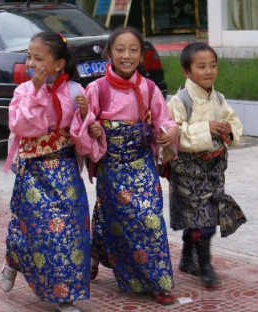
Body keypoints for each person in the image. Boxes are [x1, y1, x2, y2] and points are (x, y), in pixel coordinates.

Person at [70, 27, 178, 305]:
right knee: (115, 219)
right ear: (109, 53)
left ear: (141, 55)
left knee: (150, 218)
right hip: (112, 166)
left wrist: (168, 133)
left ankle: (158, 281)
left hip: (142, 163)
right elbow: (83, 126)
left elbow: (163, 120)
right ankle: (101, 257)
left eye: (133, 50)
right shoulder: (96, 89)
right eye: (120, 49)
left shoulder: (149, 88)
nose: (126, 55)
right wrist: (91, 125)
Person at [0, 31, 91, 312]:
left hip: (64, 169)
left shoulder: (76, 91)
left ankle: (65, 295)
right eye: (29, 57)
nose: (31, 63)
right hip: (33, 172)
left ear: (59, 64)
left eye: (39, 58)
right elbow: (24, 127)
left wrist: (87, 116)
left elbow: (82, 135)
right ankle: (14, 259)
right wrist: (37, 92)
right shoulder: (22, 92)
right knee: (36, 231)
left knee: (71, 231)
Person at [166, 42, 247, 288]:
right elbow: (174, 132)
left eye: (213, 65)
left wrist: (227, 131)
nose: (209, 71)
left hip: (213, 170)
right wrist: (207, 128)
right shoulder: (179, 101)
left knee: (201, 216)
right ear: (186, 71)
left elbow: (234, 124)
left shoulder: (219, 98)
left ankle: (186, 259)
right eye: (201, 66)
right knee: (204, 220)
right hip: (189, 172)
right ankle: (205, 265)